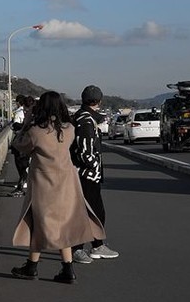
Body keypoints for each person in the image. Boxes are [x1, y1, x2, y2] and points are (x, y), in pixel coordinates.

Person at [9, 91, 106, 284]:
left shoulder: (36, 131)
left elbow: (18, 146)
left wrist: (27, 122)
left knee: (38, 224)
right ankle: (67, 269)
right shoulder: (69, 129)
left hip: (43, 185)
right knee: (64, 226)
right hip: (67, 184)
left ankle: (32, 267)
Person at [71, 84, 119, 262]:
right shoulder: (86, 120)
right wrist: (93, 166)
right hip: (86, 174)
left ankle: (96, 244)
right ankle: (82, 248)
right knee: (91, 211)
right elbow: (85, 151)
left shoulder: (81, 117)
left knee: (91, 211)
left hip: (83, 173)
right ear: (99, 101)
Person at [10, 95, 35, 196]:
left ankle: (22, 186)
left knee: (22, 165)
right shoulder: (34, 114)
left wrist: (18, 126)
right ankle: (23, 184)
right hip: (28, 143)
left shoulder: (22, 113)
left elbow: (17, 125)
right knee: (25, 165)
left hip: (23, 143)